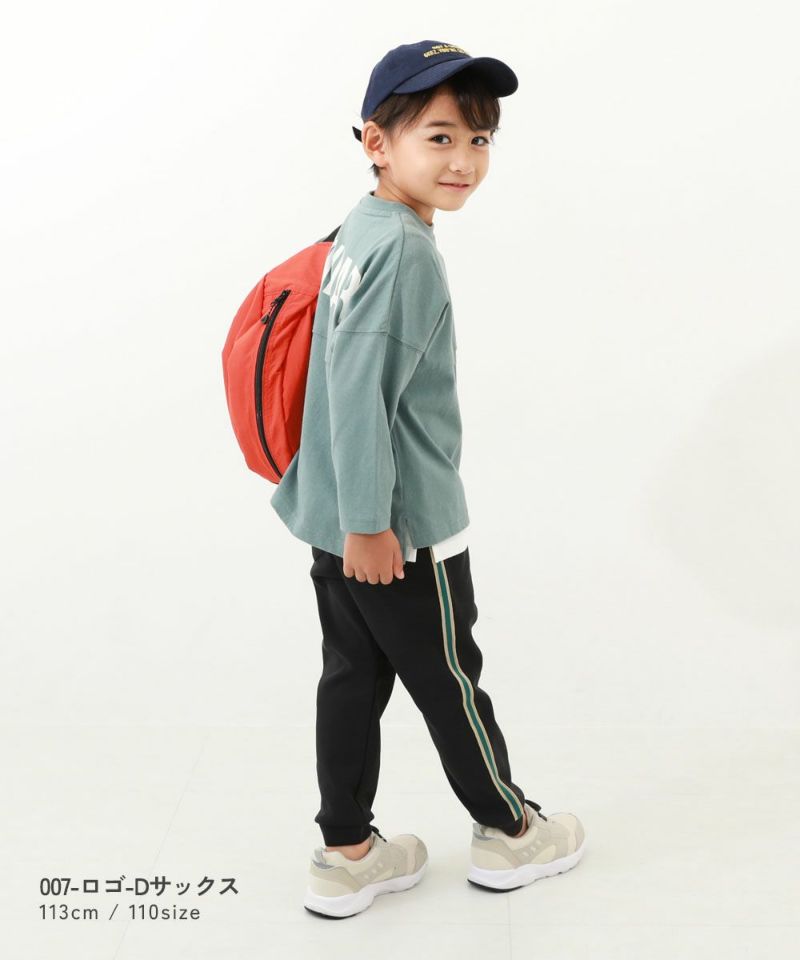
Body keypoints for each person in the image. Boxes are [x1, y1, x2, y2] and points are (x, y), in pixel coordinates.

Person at [269, 40, 586, 919]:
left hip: (333, 512)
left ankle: (347, 852)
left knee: (351, 676)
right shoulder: (405, 251)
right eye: (439, 137)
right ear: (377, 142)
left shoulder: (359, 231)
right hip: (395, 526)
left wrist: (349, 518)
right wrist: (374, 523)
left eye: (480, 139)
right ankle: (511, 832)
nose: (464, 160)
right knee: (449, 678)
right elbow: (359, 393)